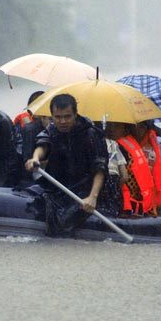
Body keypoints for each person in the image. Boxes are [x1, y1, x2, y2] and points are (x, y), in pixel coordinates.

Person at [24, 94, 108, 235]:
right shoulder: (52, 129)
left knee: (62, 222)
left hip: (85, 189)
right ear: (52, 116)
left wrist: (92, 197)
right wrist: (35, 158)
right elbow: (43, 145)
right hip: (59, 186)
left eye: (67, 116)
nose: (63, 121)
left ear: (75, 114)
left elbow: (100, 168)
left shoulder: (90, 134)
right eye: (58, 117)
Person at [107, 121, 161, 216]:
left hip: (130, 204)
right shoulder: (128, 145)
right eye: (109, 125)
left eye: (116, 126)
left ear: (125, 129)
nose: (111, 129)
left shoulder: (121, 147)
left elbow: (124, 177)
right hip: (140, 203)